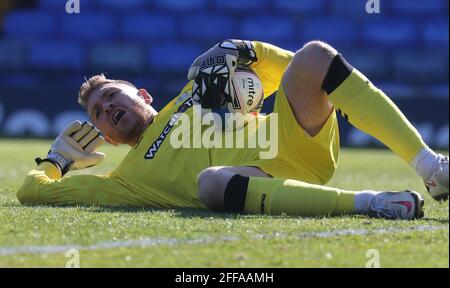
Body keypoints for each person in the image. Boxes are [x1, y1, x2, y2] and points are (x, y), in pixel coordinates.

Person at [16, 40, 449, 220]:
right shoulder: (126, 183)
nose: (106, 106)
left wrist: (245, 49)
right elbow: (31, 194)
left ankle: (432, 168)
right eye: (97, 112)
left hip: (298, 140)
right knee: (212, 181)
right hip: (260, 182)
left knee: (315, 54)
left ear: (143, 95)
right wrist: (57, 161)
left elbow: (290, 70)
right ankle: (375, 204)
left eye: (112, 95)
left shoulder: (197, 86)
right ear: (107, 139)